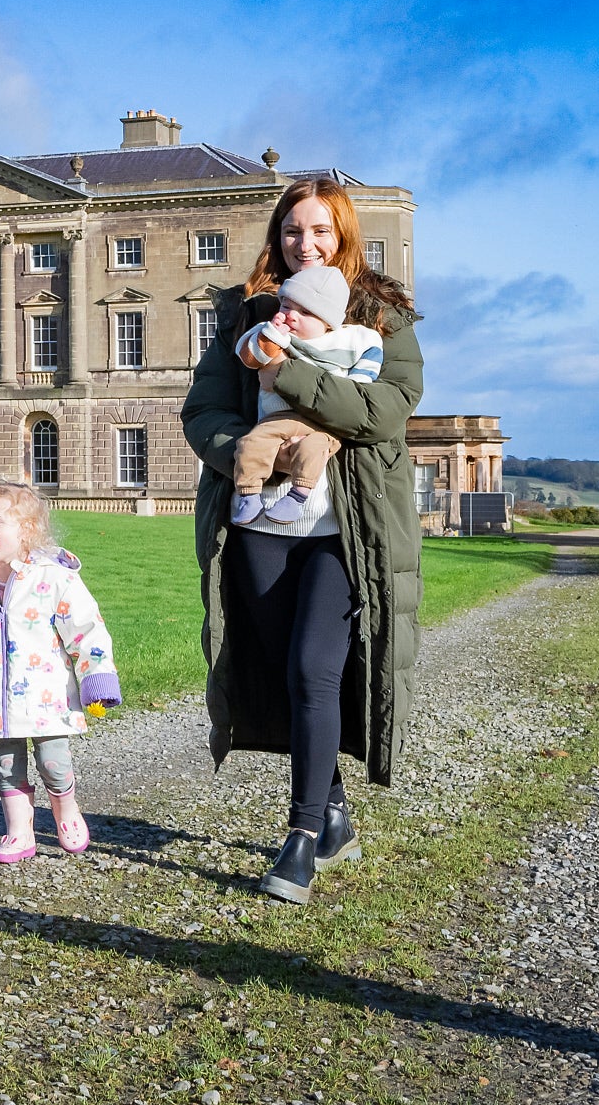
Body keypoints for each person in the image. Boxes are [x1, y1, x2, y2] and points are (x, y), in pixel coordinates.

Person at [180, 177, 423, 905]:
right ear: (277, 236)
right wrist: (250, 450)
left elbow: (385, 412)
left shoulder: (382, 318)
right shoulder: (246, 315)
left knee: (317, 668)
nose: (305, 243)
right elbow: (203, 413)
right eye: (292, 231)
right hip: (259, 524)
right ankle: (334, 810)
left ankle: (301, 836)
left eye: (319, 230)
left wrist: (284, 370)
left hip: (344, 530)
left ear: (343, 233)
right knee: (287, 673)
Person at [0, 475, 121, 864]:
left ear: (28, 530)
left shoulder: (55, 579)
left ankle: (66, 810)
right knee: (5, 766)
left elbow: (86, 630)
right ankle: (19, 832)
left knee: (54, 762)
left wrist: (97, 679)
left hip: (45, 700)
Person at [227, 263, 386, 526]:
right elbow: (250, 357)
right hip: (276, 418)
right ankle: (249, 495)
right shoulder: (273, 332)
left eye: (305, 311)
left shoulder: (348, 339)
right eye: (287, 306)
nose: (292, 316)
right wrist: (272, 336)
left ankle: (296, 497)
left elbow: (371, 354)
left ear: (327, 322)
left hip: (324, 422)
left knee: (313, 450)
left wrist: (356, 385)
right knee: (250, 443)